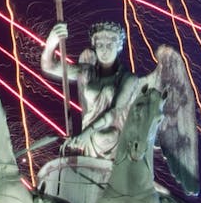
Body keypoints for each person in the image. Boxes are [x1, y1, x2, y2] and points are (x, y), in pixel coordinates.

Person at [40, 21, 144, 158]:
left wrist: (86, 133)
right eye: (100, 45)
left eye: (109, 45)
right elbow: (49, 66)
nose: (104, 50)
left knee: (104, 137)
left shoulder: (128, 79)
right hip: (88, 140)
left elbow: (115, 112)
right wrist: (52, 41)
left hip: (114, 140)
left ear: (118, 46)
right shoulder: (87, 73)